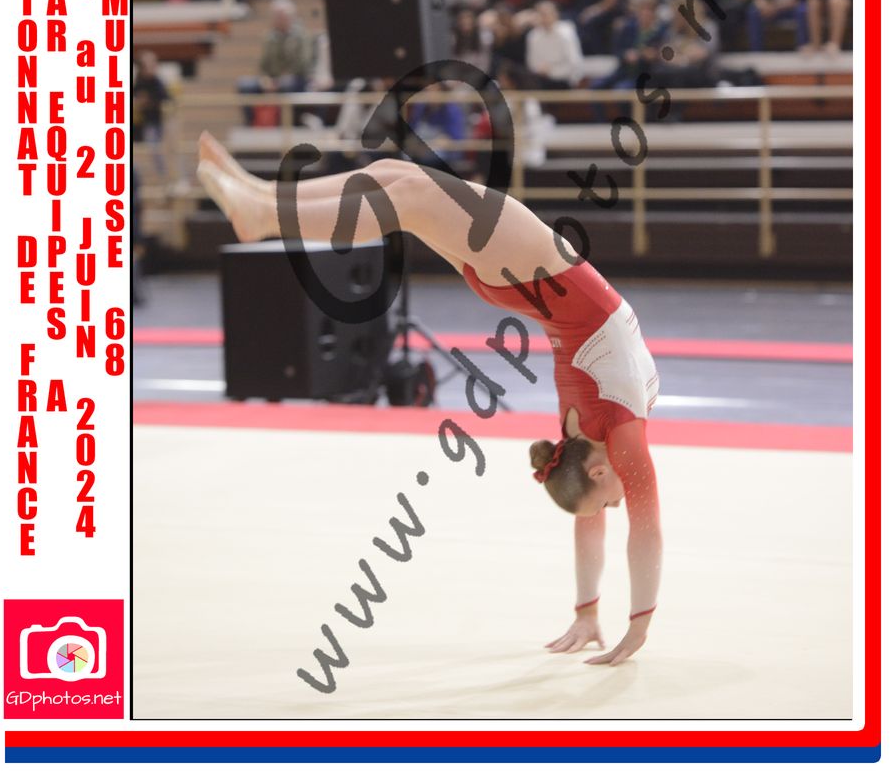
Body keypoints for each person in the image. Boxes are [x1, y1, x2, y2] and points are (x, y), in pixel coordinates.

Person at [197, 136, 662, 666]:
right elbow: (623, 522)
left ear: (597, 469)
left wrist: (607, 614)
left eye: (608, 502)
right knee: (396, 176)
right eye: (608, 504)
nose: (616, 507)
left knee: (408, 198)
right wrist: (623, 621)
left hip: (538, 273)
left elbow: (609, 516)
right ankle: (264, 197)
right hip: (525, 280)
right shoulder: (604, 435)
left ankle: (265, 213)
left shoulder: (605, 434)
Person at [236, 0, 314, 124]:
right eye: (276, 16)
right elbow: (263, 65)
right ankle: (251, 123)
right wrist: (265, 80)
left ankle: (283, 124)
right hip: (273, 80)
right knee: (244, 85)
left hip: (296, 79)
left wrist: (280, 80)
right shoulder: (269, 37)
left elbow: (303, 64)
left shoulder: (302, 36)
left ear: (291, 16)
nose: (279, 19)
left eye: (281, 16)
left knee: (287, 84)